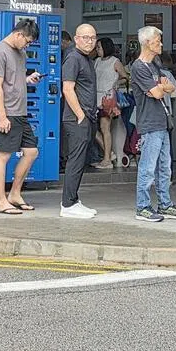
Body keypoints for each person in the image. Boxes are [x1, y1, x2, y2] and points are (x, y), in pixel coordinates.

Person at [131, 25, 176, 222]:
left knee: (165, 167)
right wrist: (159, 88)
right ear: (147, 42)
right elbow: (156, 93)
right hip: (150, 124)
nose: (161, 43)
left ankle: (165, 203)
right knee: (147, 168)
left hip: (163, 123)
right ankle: (143, 207)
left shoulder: (154, 65)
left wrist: (160, 87)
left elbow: (170, 87)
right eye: (158, 40)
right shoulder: (138, 67)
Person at [0, 18, 42, 215]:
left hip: (20, 113)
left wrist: (27, 79)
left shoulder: (21, 53)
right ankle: (1, 201)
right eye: (27, 40)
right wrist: (2, 116)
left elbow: (13, 80)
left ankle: (15, 194)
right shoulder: (0, 52)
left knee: (31, 152)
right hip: (5, 113)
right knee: (3, 156)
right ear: (18, 34)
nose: (27, 44)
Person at [59, 24, 99, 218]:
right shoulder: (73, 58)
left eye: (92, 38)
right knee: (75, 160)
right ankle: (68, 204)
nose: (89, 41)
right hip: (77, 118)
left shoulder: (86, 59)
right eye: (85, 37)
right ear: (76, 39)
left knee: (81, 160)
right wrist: (81, 115)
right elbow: (67, 89)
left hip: (87, 117)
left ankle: (73, 199)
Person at [92, 37, 128, 170]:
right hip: (96, 97)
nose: (97, 50)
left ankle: (107, 159)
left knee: (104, 127)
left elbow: (125, 77)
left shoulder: (115, 62)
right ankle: (109, 154)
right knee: (92, 128)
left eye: (99, 47)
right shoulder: (96, 61)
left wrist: (116, 83)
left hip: (108, 98)